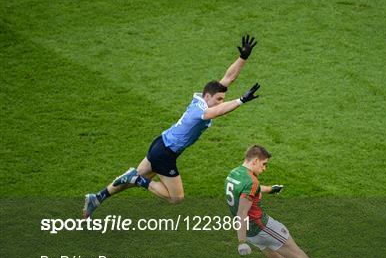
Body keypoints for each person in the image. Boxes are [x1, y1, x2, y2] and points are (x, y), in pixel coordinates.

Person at [83, 35, 261, 219]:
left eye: (221, 100)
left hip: (159, 144)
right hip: (165, 154)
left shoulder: (205, 99)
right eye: (218, 100)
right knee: (176, 198)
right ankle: (135, 178)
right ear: (207, 96)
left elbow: (228, 78)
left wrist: (243, 57)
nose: (219, 103)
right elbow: (219, 112)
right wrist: (241, 100)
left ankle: (97, 197)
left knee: (132, 181)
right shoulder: (200, 110)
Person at [225, 145, 363, 258]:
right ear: (255, 161)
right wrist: (241, 242)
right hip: (263, 227)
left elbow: (253, 190)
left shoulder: (234, 174)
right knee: (300, 257)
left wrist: (271, 189)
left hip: (253, 233)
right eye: (264, 164)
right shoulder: (250, 182)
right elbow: (242, 213)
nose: (265, 168)